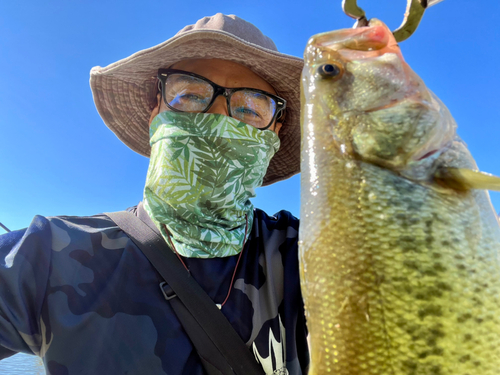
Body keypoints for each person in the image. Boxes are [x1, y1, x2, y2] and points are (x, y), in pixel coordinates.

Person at [0, 13, 309, 375]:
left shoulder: (312, 257)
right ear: (155, 114)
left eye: (250, 107)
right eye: (190, 94)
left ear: (275, 132)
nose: (219, 118)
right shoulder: (49, 258)